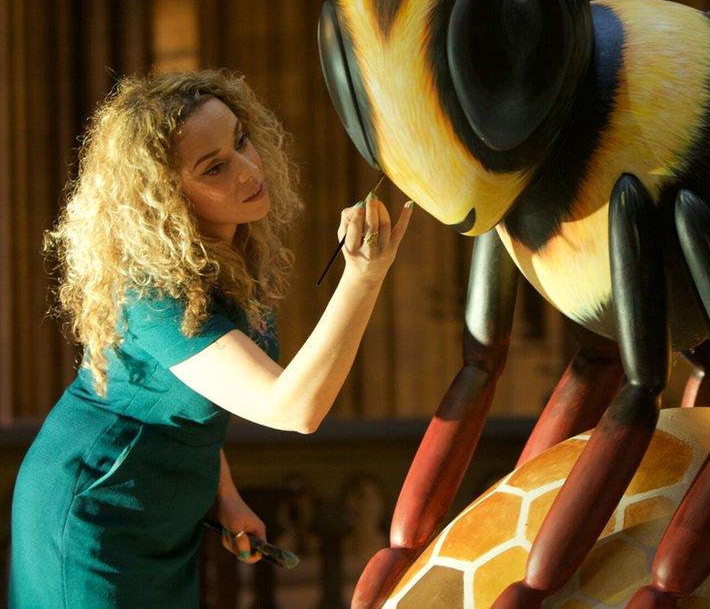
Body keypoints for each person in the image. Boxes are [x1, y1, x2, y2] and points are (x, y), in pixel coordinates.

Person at [8, 69, 412, 607]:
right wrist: (364, 276)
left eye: (241, 140)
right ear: (165, 199)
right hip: (94, 514)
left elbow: (199, 392)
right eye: (215, 167)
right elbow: (294, 408)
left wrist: (224, 495)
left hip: (162, 515)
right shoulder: (153, 293)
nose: (248, 169)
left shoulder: (225, 256)